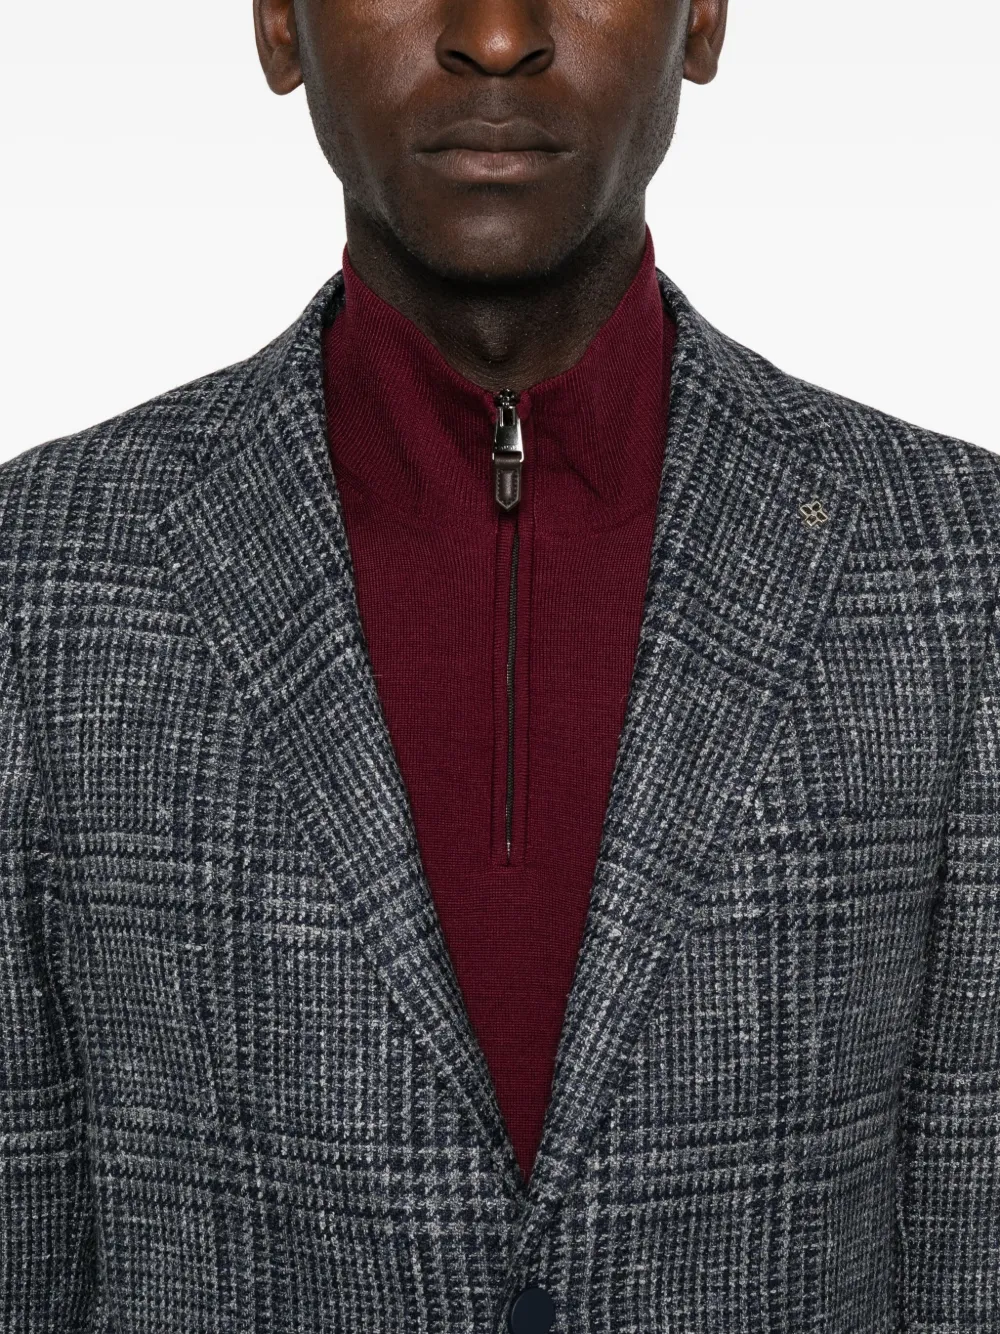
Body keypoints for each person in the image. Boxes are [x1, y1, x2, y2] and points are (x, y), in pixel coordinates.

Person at [2, 0, 998, 1329]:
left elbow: (968, 1228)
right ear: (279, 27)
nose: (493, 33)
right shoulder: (45, 572)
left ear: (702, 20)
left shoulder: (953, 563)